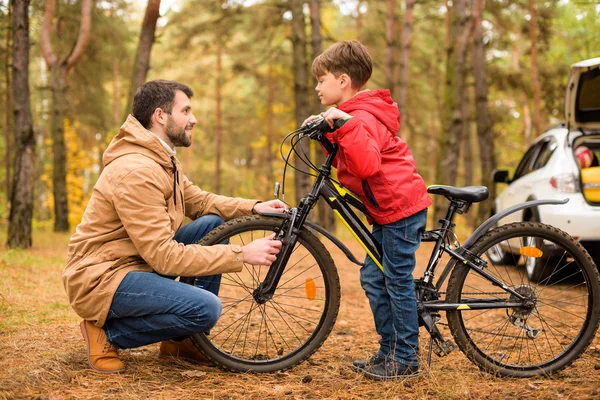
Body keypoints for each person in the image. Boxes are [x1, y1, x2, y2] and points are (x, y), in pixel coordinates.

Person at [63, 79, 284, 373]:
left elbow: (200, 201)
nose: (193, 119)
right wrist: (241, 255)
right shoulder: (136, 171)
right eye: (186, 111)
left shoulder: (161, 158)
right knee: (206, 309)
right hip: (102, 276)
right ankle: (106, 335)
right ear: (160, 116)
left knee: (211, 225)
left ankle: (182, 342)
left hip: (134, 261)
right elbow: (163, 257)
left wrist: (254, 207)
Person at [303, 41, 432, 380]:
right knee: (374, 277)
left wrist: (343, 124)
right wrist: (326, 131)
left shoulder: (361, 117)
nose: (317, 87)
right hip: (386, 211)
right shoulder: (354, 116)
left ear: (343, 81)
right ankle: (389, 350)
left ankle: (405, 359)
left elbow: (366, 165)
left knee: (395, 279)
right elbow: (352, 152)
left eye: (322, 79)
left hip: (399, 209)